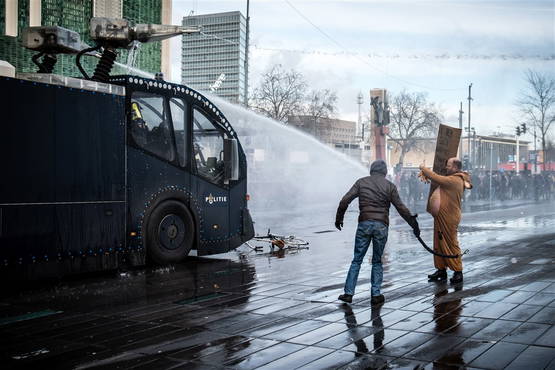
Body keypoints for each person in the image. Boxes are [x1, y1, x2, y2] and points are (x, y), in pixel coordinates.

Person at [335, 159, 419, 305]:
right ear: (385, 172)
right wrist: (413, 224)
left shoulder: (361, 182)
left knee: (357, 260)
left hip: (364, 223)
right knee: (377, 260)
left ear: (371, 170)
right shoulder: (390, 186)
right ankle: (376, 294)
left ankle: (348, 293)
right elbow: (401, 208)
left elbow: (344, 200)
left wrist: (339, 218)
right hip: (381, 225)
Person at [419, 157, 472, 284]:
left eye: (448, 165)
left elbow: (437, 178)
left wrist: (423, 168)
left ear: (455, 167)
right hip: (441, 216)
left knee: (451, 243)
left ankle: (458, 271)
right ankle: (441, 270)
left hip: (449, 217)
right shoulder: (455, 178)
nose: (446, 167)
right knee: (438, 243)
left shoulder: (455, 180)